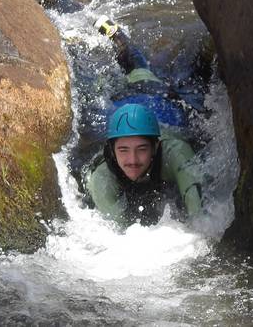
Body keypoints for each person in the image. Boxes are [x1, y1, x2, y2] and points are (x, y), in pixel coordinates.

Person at [84, 16, 203, 226]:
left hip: (155, 94)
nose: (133, 159)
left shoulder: (175, 153)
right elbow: (116, 234)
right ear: (111, 149)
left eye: (141, 149)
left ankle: (118, 35)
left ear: (155, 146)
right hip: (124, 102)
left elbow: (199, 212)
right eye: (123, 150)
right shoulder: (102, 178)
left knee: (139, 64)